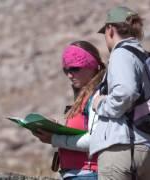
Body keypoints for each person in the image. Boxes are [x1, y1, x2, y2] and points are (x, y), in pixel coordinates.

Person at [90, 6, 150, 180]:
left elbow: (126, 92)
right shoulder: (145, 57)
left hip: (122, 149)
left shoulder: (121, 53)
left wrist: (100, 103)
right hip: (149, 149)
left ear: (110, 30)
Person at [33, 40, 105, 180]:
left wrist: (54, 138)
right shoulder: (83, 97)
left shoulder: (98, 96)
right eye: (66, 70)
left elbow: (94, 140)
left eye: (75, 69)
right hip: (77, 173)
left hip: (89, 173)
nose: (70, 75)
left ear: (91, 66)